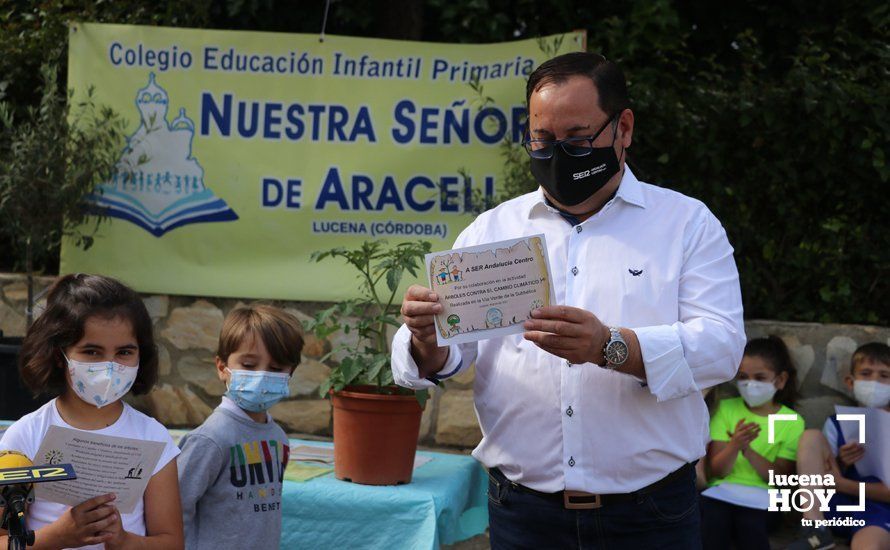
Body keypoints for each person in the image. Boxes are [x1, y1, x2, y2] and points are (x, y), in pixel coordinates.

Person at [392, 51, 745, 548]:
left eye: (578, 140)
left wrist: (610, 346)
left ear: (622, 128)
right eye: (542, 140)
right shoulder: (491, 231)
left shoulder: (686, 225)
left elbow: (722, 347)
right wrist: (426, 337)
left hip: (650, 515)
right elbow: (447, 356)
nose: (557, 154)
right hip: (522, 513)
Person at [0, 273, 183, 549]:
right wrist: (57, 537)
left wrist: (123, 541)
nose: (110, 367)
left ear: (140, 354)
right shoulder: (25, 436)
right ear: (59, 355)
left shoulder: (154, 439)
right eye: (92, 352)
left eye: (124, 352)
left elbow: (172, 543)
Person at [177, 304, 303, 550]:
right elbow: (175, 508)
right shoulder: (210, 439)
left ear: (290, 374)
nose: (262, 376)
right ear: (222, 368)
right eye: (248, 365)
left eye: (276, 369)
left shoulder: (278, 437)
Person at [700, 336, 804, 549]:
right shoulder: (726, 409)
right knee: (712, 522)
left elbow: (780, 479)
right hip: (722, 492)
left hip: (766, 500)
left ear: (780, 380)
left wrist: (747, 450)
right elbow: (717, 472)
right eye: (743, 377)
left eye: (760, 377)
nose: (750, 384)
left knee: (750, 525)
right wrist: (735, 445)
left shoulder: (791, 421)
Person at [789, 342, 890, 550]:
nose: (874, 382)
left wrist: (840, 483)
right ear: (850, 382)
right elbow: (819, 477)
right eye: (866, 373)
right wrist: (841, 462)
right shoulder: (837, 423)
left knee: (867, 546)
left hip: (878, 511)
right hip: (838, 506)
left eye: (884, 376)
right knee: (811, 437)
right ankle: (815, 528)